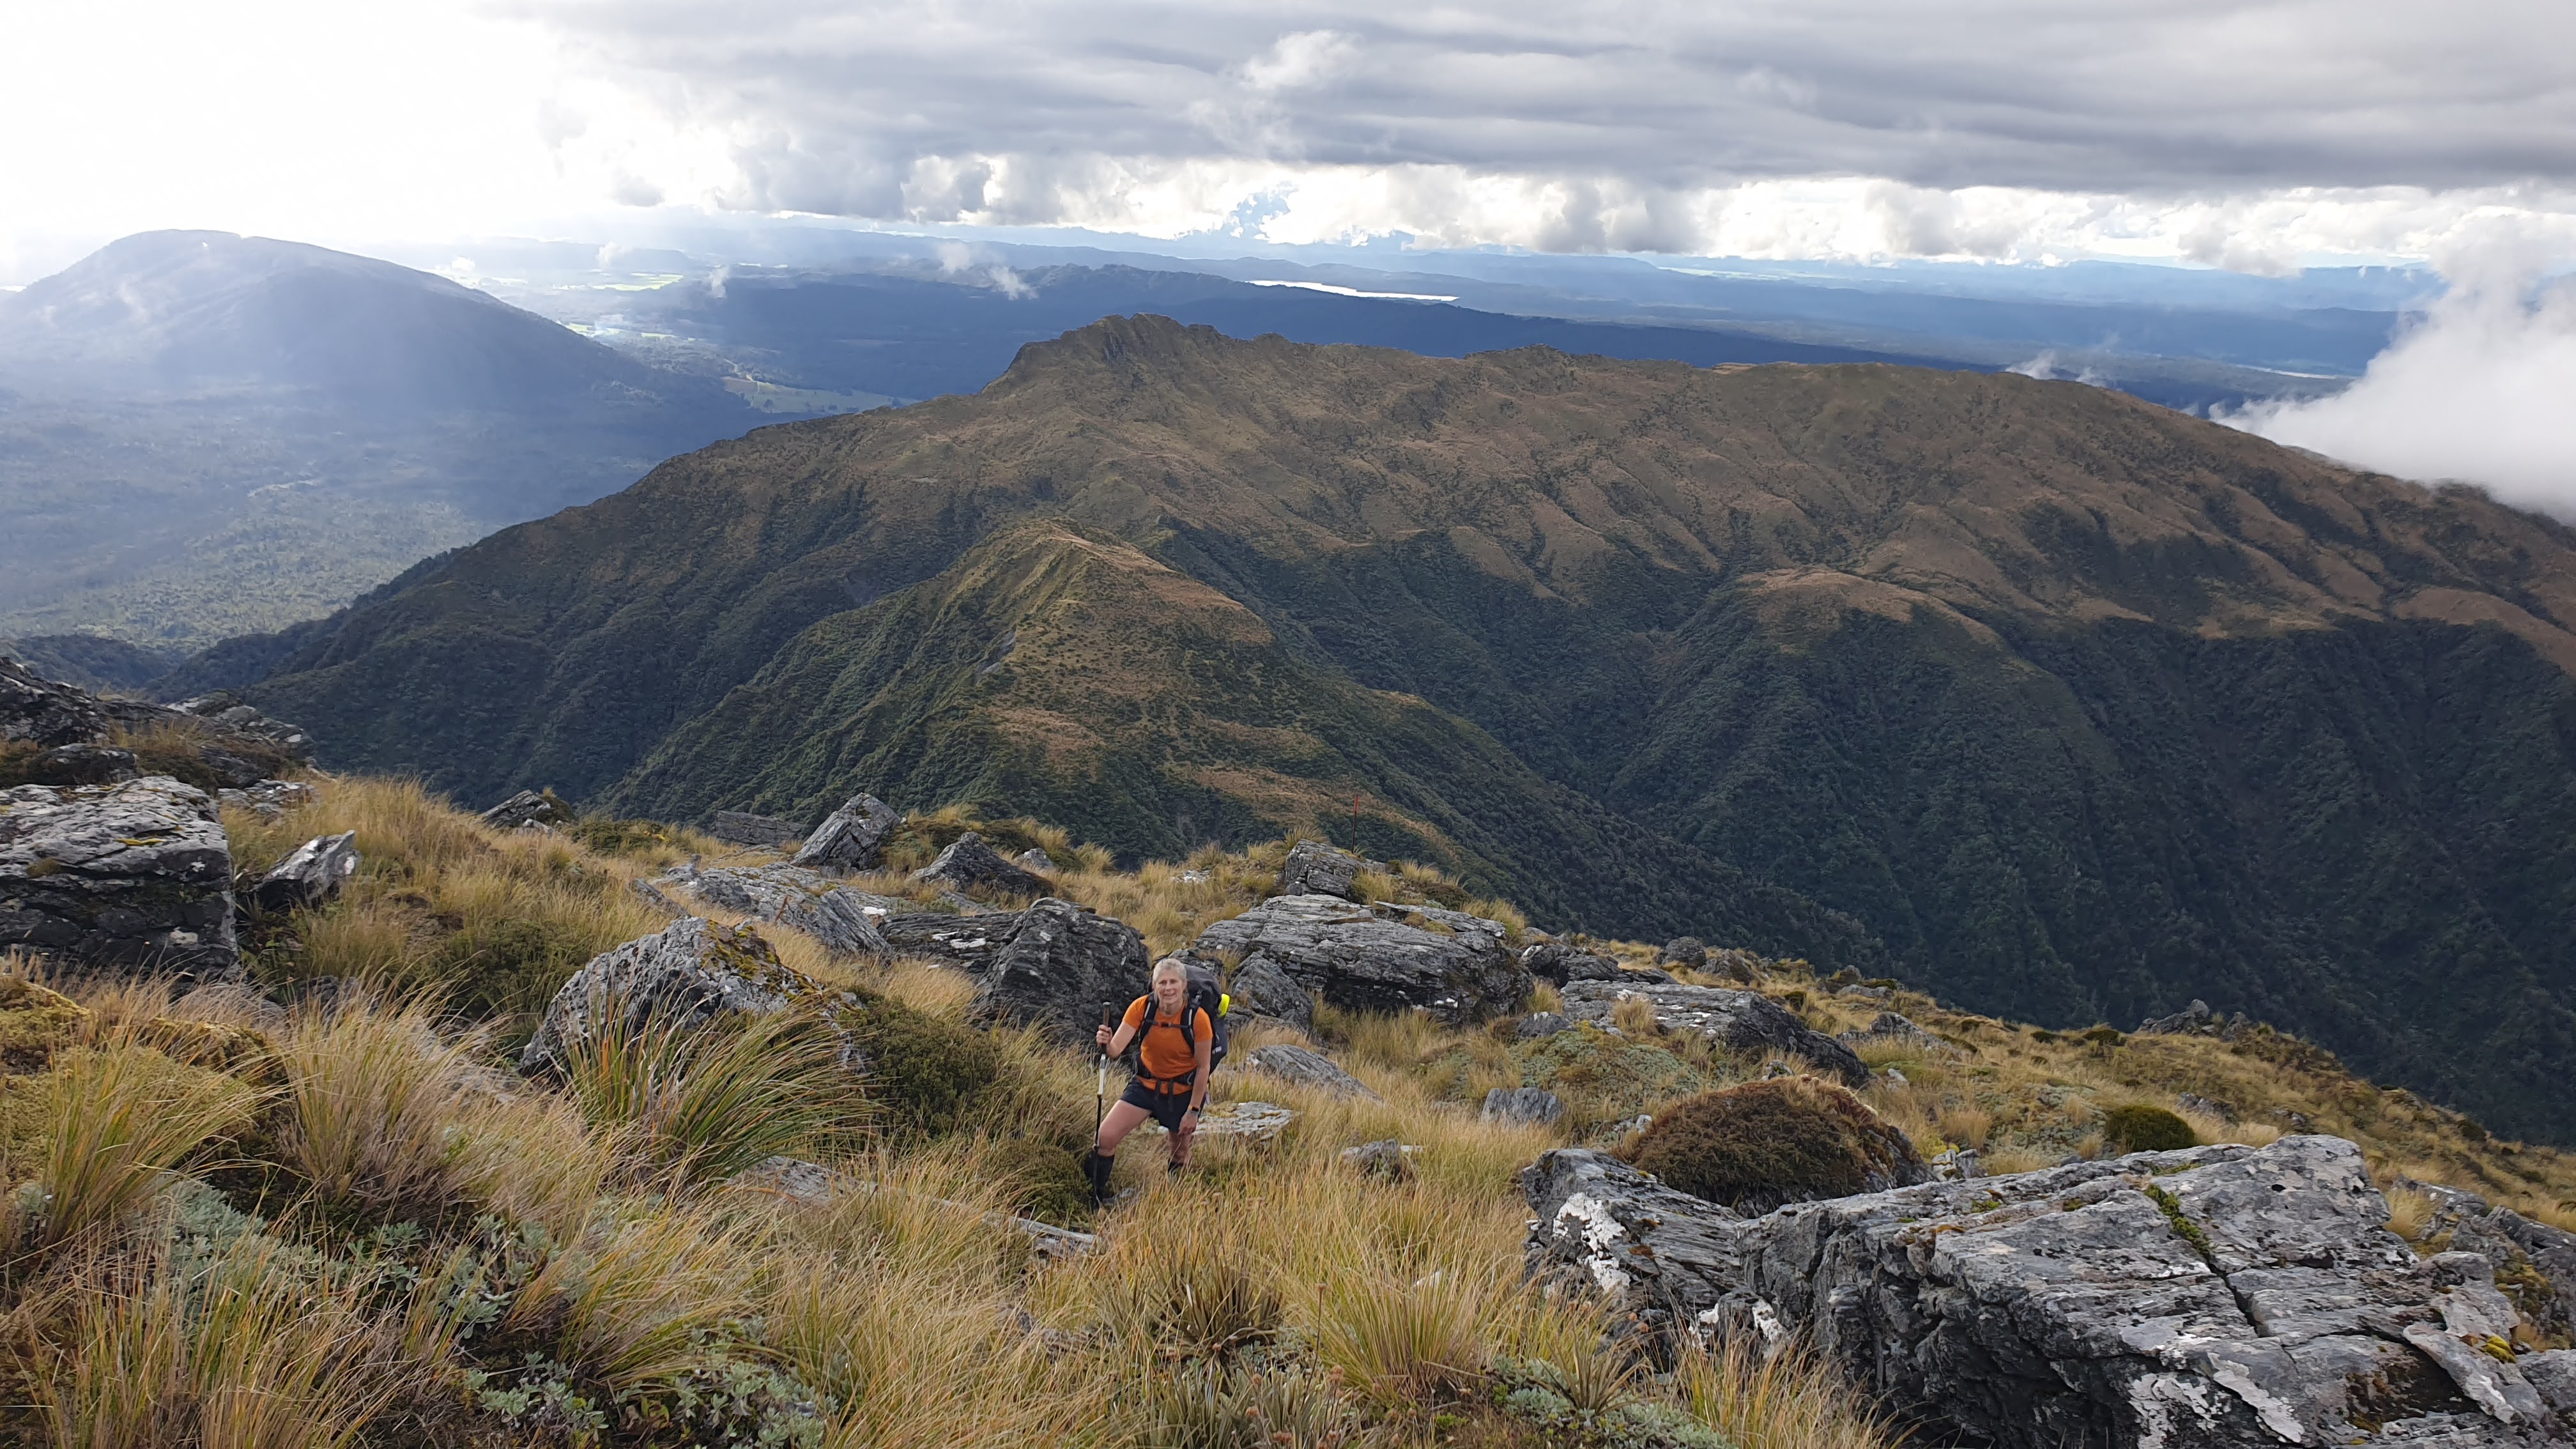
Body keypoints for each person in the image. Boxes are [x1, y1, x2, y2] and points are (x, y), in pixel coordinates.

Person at [1085, 958, 1213, 1204]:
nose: (1168, 988)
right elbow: (1114, 1050)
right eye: (1162, 983)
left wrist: (1194, 1111)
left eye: (1173, 982)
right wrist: (1106, 1041)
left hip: (1182, 1093)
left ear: (1184, 985)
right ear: (1154, 986)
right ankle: (1095, 1198)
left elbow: (1203, 1067)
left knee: (1180, 1151)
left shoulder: (1197, 1019)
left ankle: (1175, 1201)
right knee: (1105, 1138)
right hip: (1145, 1086)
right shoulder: (1142, 1008)